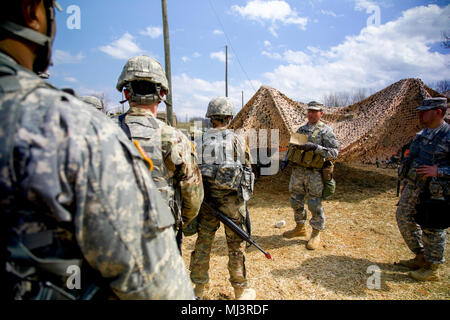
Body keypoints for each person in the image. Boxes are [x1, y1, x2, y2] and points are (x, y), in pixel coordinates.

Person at [0, 0, 194, 300]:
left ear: (125, 92)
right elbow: (159, 286)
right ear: (31, 11)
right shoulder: (76, 129)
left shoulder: (104, 127)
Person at [115, 55, 204, 248]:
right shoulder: (174, 138)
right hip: (160, 240)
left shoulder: (99, 132)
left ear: (126, 92)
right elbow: (193, 196)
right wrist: (179, 223)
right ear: (162, 94)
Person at [189, 97, 256, 300]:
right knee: (236, 247)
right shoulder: (237, 140)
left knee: (202, 244)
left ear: (210, 118)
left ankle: (198, 290)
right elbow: (247, 170)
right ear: (229, 117)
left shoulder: (198, 141)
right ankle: (240, 290)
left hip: (206, 202)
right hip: (232, 204)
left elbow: (191, 173)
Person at [396, 97, 449, 281]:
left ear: (439, 112)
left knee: (432, 227)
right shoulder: (422, 134)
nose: (420, 114)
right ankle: (421, 256)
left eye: (424, 111)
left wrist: (439, 171)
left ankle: (433, 268)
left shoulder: (448, 135)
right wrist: (405, 183)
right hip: (414, 187)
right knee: (403, 217)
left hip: (436, 192)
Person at [280, 101, 339, 250]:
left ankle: (315, 233)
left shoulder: (326, 131)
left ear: (321, 113)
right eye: (309, 111)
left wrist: (316, 148)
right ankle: (300, 227)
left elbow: (334, 152)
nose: (311, 114)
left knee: (314, 203)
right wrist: (285, 160)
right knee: (295, 200)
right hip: (298, 171)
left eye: (315, 111)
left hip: (315, 173)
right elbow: (292, 146)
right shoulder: (302, 129)